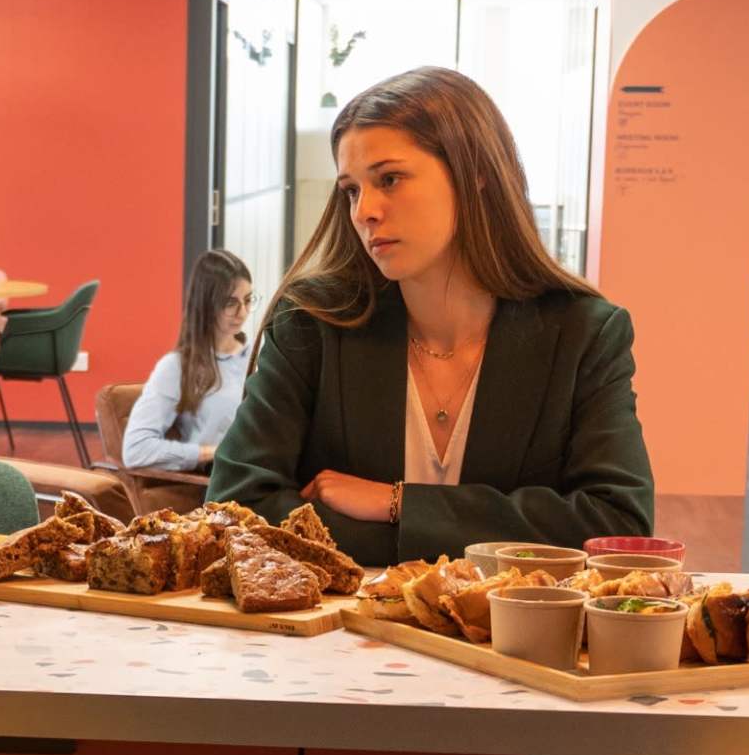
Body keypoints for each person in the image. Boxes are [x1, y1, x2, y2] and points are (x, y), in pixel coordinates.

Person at [207, 66, 653, 568]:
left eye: (390, 179)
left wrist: (397, 504)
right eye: (352, 190)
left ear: (476, 174)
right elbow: (237, 508)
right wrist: (463, 539)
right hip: (336, 638)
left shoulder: (584, 333)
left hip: (511, 643)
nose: (364, 211)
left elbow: (617, 526)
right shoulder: (312, 323)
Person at [125, 248, 255, 476]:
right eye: (230, 303)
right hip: (222, 483)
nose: (242, 312)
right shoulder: (177, 367)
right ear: (206, 304)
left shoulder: (259, 356)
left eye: (248, 300)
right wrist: (214, 453)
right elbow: (136, 449)